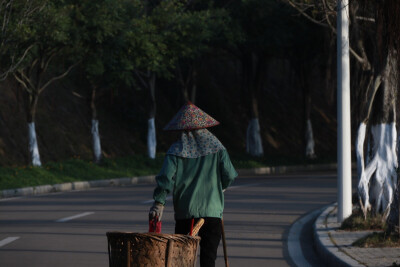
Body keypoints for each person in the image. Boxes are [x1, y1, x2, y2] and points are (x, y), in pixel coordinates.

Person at [149, 101, 238, 267]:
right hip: (212, 214)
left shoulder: (176, 150)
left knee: (183, 261)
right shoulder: (217, 148)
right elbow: (230, 174)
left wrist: (159, 202)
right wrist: (221, 187)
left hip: (186, 215)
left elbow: (165, 178)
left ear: (184, 129)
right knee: (208, 260)